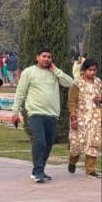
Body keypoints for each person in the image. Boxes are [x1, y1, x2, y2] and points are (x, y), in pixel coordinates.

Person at [11, 50, 75, 183]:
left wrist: (56, 70)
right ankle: (38, 172)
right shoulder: (29, 72)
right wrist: (15, 112)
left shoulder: (54, 73)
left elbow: (70, 83)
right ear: (37, 57)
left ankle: (39, 170)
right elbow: (20, 93)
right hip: (35, 113)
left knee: (48, 143)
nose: (46, 59)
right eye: (44, 56)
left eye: (49, 57)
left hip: (52, 114)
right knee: (40, 141)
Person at [67, 59, 101, 177]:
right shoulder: (77, 83)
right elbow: (72, 101)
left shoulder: (98, 83)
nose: (92, 72)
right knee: (76, 144)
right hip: (80, 117)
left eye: (94, 70)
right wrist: (73, 117)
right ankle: (72, 161)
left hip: (95, 118)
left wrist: (100, 99)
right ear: (84, 70)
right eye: (89, 70)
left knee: (93, 143)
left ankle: (90, 169)